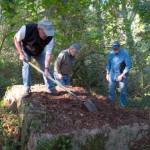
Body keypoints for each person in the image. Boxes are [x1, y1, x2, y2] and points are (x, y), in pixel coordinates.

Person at [14, 19, 56, 96]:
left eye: (48, 33)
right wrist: (21, 53)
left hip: (39, 51)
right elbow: (16, 39)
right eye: (44, 33)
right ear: (39, 28)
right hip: (26, 50)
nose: (46, 35)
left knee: (46, 67)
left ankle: (51, 87)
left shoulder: (50, 37)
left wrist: (46, 68)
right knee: (26, 66)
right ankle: (27, 87)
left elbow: (48, 54)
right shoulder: (27, 29)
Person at [106, 41, 132, 107]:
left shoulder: (124, 53)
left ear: (119, 47)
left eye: (116, 49)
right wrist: (107, 73)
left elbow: (128, 65)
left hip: (122, 74)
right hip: (112, 74)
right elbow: (108, 64)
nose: (115, 50)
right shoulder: (111, 53)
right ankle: (111, 105)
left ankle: (122, 107)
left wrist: (122, 75)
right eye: (114, 49)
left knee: (122, 91)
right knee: (111, 90)